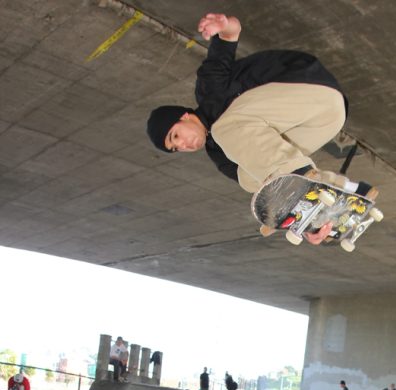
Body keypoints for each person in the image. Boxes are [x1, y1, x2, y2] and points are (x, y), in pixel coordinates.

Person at [146, 13, 377, 246]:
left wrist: (223, 25)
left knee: (224, 129)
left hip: (309, 89)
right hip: (325, 121)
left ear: (184, 117)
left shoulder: (208, 91)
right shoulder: (220, 154)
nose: (183, 145)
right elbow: (273, 182)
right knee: (249, 178)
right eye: (177, 148)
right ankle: (347, 189)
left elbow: (230, 34)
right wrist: (307, 221)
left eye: (175, 136)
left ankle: (303, 177)